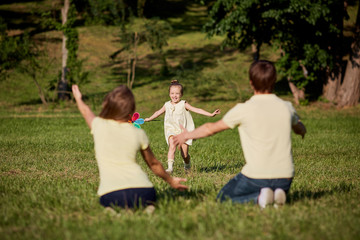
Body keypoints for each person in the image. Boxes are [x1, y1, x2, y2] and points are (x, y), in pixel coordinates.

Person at [173, 60, 306, 208]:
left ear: (251, 83)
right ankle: (276, 194)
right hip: (285, 177)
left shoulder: (243, 109)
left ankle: (260, 197)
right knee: (274, 186)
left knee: (223, 199)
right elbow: (299, 127)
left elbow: (211, 128)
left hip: (256, 176)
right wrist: (302, 130)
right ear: (274, 80)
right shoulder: (286, 107)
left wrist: (187, 135)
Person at [72, 84, 188, 210]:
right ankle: (148, 207)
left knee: (109, 204)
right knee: (148, 202)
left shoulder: (99, 125)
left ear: (108, 106)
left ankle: (111, 210)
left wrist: (78, 98)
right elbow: (154, 164)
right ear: (132, 110)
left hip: (112, 193)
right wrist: (171, 181)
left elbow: (86, 112)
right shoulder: (138, 132)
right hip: (144, 191)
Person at [145, 80, 221, 174]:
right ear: (169, 94)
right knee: (172, 144)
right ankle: (170, 168)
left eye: (177, 93)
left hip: (183, 131)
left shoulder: (183, 104)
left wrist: (211, 114)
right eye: (172, 93)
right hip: (171, 130)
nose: (174, 95)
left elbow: (196, 109)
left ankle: (187, 165)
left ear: (181, 94)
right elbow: (157, 112)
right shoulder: (167, 105)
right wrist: (149, 118)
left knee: (184, 154)